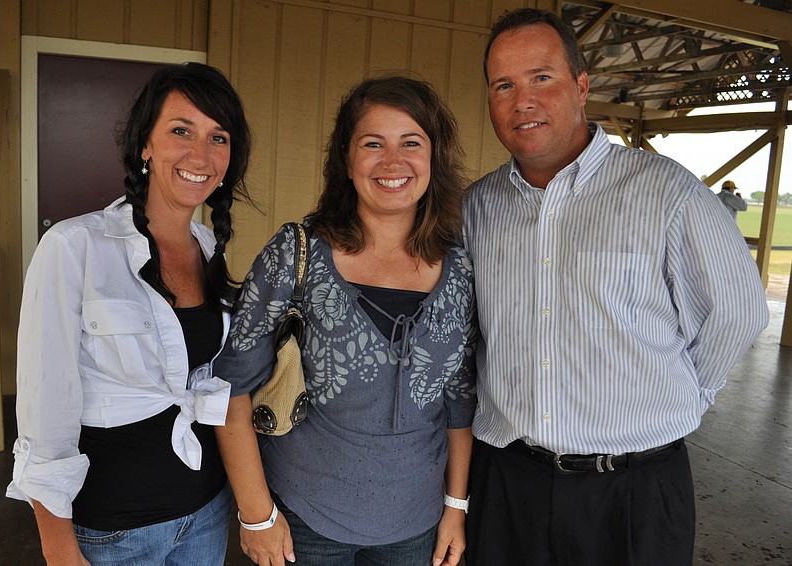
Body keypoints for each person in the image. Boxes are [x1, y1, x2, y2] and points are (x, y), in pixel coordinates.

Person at [462, 8, 770, 566]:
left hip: (633, 492)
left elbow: (738, 311)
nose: (521, 101)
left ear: (582, 86)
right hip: (508, 484)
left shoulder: (666, 192)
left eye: (542, 78)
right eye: (502, 85)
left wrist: (681, 398)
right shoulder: (478, 207)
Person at [213, 76, 477, 566]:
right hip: (304, 520)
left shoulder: (460, 269)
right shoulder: (295, 256)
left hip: (415, 524)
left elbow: (459, 401)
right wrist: (256, 515)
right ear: (347, 161)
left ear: (434, 158)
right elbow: (230, 391)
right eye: (372, 143)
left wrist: (455, 507)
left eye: (411, 143)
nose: (393, 162)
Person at [6, 62, 251, 565]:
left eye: (218, 137)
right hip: (115, 531)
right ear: (146, 144)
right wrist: (58, 547)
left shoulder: (207, 248)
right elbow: (44, 406)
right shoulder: (74, 246)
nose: (200, 155)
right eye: (181, 130)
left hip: (205, 513)